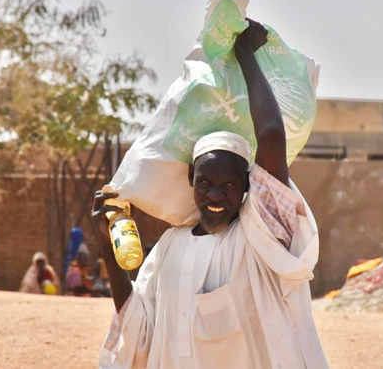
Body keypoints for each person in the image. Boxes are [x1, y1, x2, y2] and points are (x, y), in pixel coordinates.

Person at [92, 20, 329, 368]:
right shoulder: (170, 247)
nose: (216, 194)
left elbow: (271, 135)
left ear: (249, 185)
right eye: (206, 183)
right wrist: (107, 247)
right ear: (191, 178)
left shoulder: (260, 237)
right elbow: (139, 333)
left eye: (230, 184)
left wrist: (246, 54)